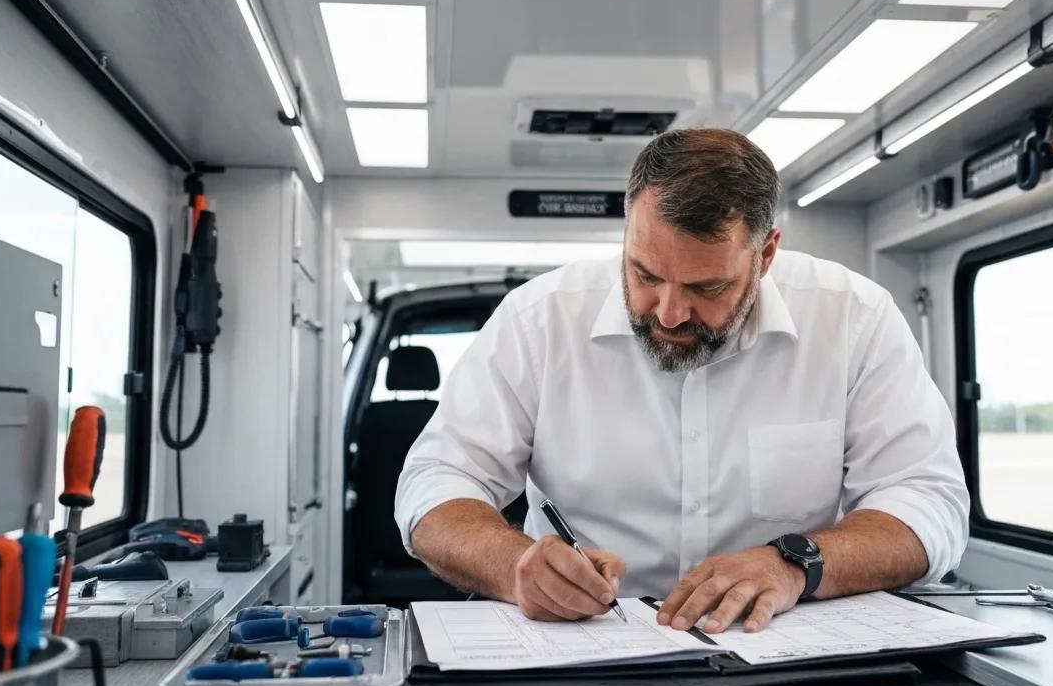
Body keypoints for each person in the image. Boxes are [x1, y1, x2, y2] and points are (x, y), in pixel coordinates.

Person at [395, 128, 968, 634]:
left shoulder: (853, 318)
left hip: (780, 649)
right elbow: (437, 481)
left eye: (706, 288)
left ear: (765, 254)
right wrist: (512, 565)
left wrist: (797, 562)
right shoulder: (538, 319)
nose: (668, 312)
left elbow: (929, 498)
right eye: (645, 274)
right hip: (587, 646)